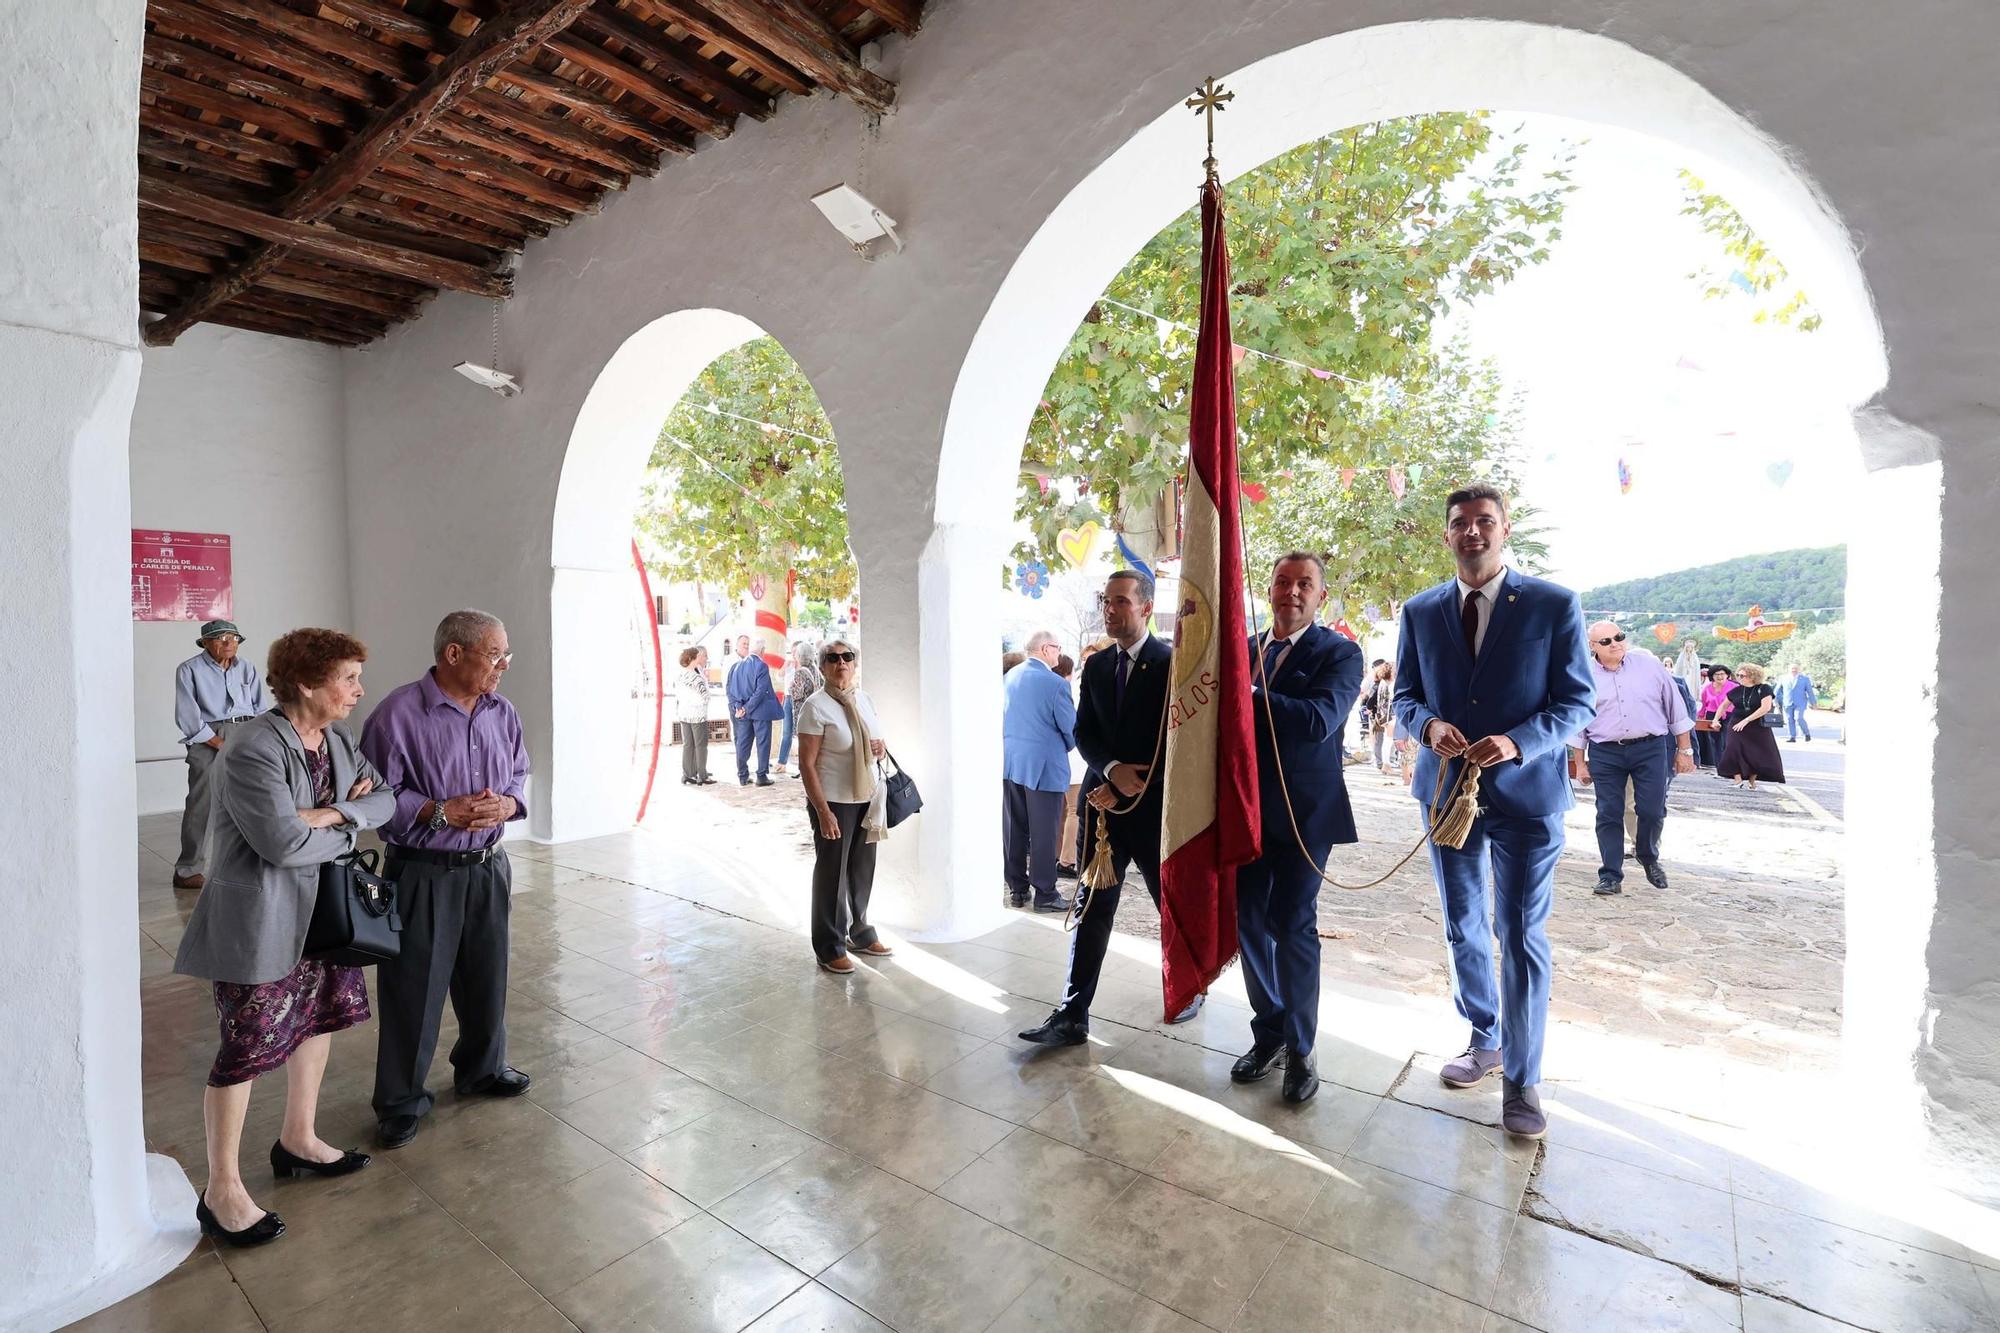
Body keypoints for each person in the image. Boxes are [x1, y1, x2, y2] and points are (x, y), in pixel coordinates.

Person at [172, 628, 394, 1247]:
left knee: (317, 1023)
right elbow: (280, 843)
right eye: (347, 679)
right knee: (245, 1049)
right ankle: (221, 1190)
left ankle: (298, 1138)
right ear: (305, 684)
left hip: (327, 914)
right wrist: (347, 823)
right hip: (262, 921)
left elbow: (388, 802)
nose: (357, 690)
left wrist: (332, 815)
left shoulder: (339, 739)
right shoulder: (252, 749)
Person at [1393, 485, 1594, 1140]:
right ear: (1446, 534)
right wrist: (1427, 729)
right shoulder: (1420, 611)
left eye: (1485, 521)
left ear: (1505, 529)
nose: (1472, 531)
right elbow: (1404, 696)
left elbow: (1577, 702)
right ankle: (1486, 1034)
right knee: (1461, 923)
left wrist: (1518, 741)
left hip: (1527, 797)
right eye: (1460, 522)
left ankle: (1523, 1077)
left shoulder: (1552, 604)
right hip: (1447, 792)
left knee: (1521, 931)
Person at [361, 609, 532, 1150]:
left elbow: (521, 773)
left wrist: (507, 803)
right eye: (495, 654)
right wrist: (439, 812)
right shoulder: (397, 715)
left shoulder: (502, 712)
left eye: (507, 654)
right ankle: (401, 1099)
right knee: (415, 988)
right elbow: (372, 800)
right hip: (423, 875)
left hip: (487, 869)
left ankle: (482, 1069)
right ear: (454, 653)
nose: (503, 665)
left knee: (487, 977)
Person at [1019, 571, 1202, 1047]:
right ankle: (1072, 1014)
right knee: (1091, 906)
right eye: (1106, 600)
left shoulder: (1173, 664)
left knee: (1173, 904)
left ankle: (1189, 986)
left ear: (1146, 607)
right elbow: (1085, 733)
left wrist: (1128, 783)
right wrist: (1111, 768)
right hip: (1102, 811)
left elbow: (1183, 741)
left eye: (1120, 601)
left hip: (1154, 809)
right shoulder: (1097, 667)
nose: (1110, 609)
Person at [1230, 553, 1364, 1104]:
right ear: (1270, 588)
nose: (1291, 592)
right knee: (1247, 923)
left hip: (1307, 817)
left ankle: (1303, 1049)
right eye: (1283, 582)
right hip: (1245, 812)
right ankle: (1271, 1033)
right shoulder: (1245, 649)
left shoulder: (1342, 653)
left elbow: (1317, 720)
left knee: (1293, 925)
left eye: (1304, 584)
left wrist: (1249, 695)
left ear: (1320, 597)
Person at [1572, 622, 1695, 896]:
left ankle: (1648, 856)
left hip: (1650, 747)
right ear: (1592, 646)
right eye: (1605, 641)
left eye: (1619, 637)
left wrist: (1684, 750)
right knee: (1608, 813)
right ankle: (1610, 875)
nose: (1615, 643)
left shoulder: (1649, 667)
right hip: (1605, 751)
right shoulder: (1583, 675)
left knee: (1652, 810)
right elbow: (1578, 722)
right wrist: (1580, 763)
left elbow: (1676, 709)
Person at [796, 639, 894, 973]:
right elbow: (807, 765)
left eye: (847, 657)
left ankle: (861, 933)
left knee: (861, 871)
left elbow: (872, 745)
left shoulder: (863, 699)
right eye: (833, 658)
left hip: (866, 798)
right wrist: (823, 812)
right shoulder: (816, 706)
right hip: (833, 801)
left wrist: (879, 747)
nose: (841, 663)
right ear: (823, 667)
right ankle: (829, 946)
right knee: (831, 876)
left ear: (854, 664)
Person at [172, 619, 269, 889]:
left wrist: (259, 738)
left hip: (247, 732)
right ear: (205, 643)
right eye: (221, 638)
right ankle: (188, 870)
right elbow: (188, 716)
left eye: (234, 638)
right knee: (202, 803)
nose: (229, 643)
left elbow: (260, 707)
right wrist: (217, 741)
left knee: (254, 799)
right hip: (207, 736)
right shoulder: (189, 670)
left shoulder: (247, 668)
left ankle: (254, 862)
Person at [1002, 630, 1078, 912]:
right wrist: (1066, 746)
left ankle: (1018, 890)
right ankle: (1045, 893)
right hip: (1045, 765)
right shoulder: (1056, 684)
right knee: (1044, 832)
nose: (1059, 654)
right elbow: (1071, 730)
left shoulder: (1009, 677)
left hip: (1011, 763)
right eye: (1057, 648)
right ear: (1045, 649)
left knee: (1014, 829)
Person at [726, 634, 783, 786]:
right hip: (760, 712)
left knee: (742, 743)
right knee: (763, 743)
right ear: (762, 650)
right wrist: (746, 707)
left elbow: (730, 689)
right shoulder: (761, 666)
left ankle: (743, 776)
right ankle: (761, 776)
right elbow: (760, 691)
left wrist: (739, 707)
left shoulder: (736, 666)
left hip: (743, 713)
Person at [1718, 662, 1786, 788]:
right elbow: (1723, 705)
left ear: (1752, 676)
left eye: (1742, 675)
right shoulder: (1737, 690)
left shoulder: (1764, 688)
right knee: (1732, 748)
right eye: (1738, 675)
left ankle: (1752, 780)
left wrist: (1747, 720)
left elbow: (1765, 707)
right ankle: (1737, 780)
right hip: (1736, 722)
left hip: (1757, 725)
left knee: (1756, 752)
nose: (1739, 678)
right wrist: (1716, 719)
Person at [1054, 652, 1085, 878]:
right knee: (1074, 811)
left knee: (1065, 812)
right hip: (1075, 760)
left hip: (1063, 762)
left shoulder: (1056, 689)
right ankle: (1067, 861)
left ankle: (1058, 855)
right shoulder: (1067, 690)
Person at [779, 643, 823, 778]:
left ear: (800, 655)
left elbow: (796, 694)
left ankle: (805, 768)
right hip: (814, 709)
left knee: (803, 741)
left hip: (802, 711)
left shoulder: (800, 672)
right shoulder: (815, 669)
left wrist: (792, 686)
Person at [676, 645, 716, 786]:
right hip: (698, 715)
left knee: (688, 745)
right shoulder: (696, 677)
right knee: (700, 745)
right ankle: (702, 775)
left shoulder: (680, 675)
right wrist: (704, 699)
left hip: (684, 714)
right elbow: (705, 696)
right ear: (693, 659)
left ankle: (688, 774)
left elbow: (679, 696)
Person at [1697, 665, 1736, 770]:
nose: (1719, 676)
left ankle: (1729, 765)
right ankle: (1720, 766)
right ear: (1712, 676)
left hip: (1729, 715)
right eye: (1716, 674)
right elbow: (1704, 704)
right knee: (1715, 741)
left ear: (1727, 675)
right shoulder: (1707, 688)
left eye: (1722, 674)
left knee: (1727, 740)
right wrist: (1701, 716)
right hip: (1711, 715)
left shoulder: (1734, 687)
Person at [1362, 660, 1397, 773]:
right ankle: (1384, 763)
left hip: (1385, 715)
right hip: (1389, 716)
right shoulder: (1388, 684)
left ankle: (1385, 763)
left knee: (1387, 741)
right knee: (1387, 741)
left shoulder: (1381, 683)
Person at [1782, 661, 1818, 742]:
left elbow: (1810, 691)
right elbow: (1778, 690)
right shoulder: (1784, 678)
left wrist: (1813, 703)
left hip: (1800, 703)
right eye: (1792, 668)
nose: (1794, 670)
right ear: (1789, 669)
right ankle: (1792, 737)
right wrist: (1774, 699)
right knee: (1789, 719)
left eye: (1796, 668)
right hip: (1787, 702)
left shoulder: (1805, 679)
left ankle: (1806, 733)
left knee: (1799, 718)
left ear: (1799, 670)